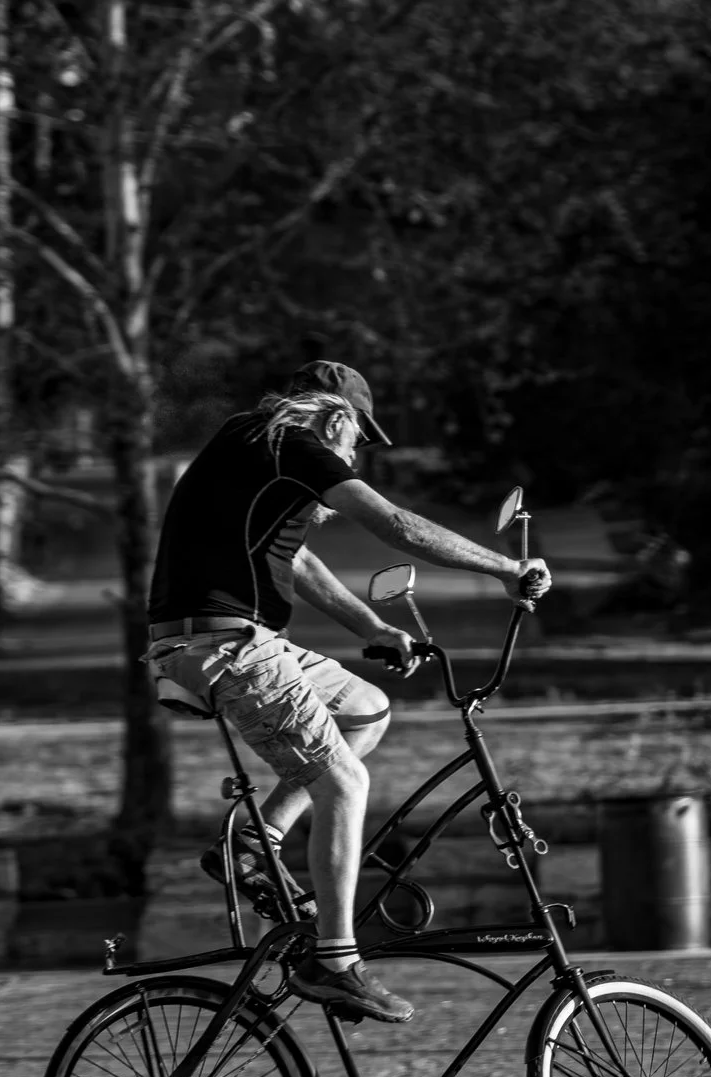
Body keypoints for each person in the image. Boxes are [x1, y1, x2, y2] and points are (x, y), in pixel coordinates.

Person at [142, 360, 550, 1024]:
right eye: (358, 441)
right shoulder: (290, 443)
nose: (356, 456)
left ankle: (255, 842)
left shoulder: (252, 445)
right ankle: (335, 962)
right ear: (338, 418)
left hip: (225, 637)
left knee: (366, 708)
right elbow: (396, 526)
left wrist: (373, 627)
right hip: (227, 644)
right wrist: (507, 568)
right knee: (344, 783)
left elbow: (294, 559)